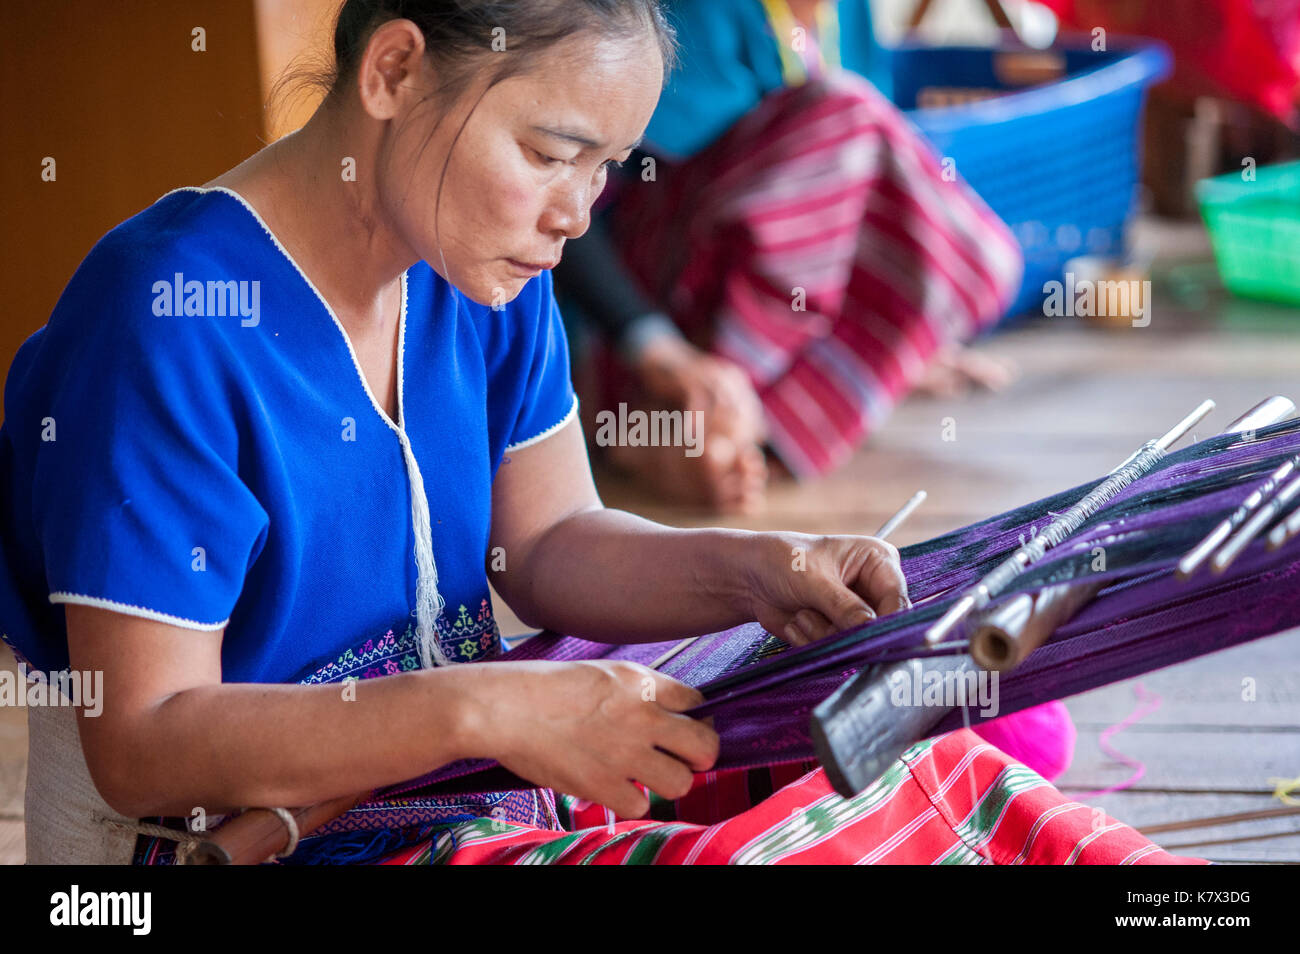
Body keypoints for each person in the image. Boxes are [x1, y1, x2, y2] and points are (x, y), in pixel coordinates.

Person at [0, 0, 1194, 865]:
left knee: (953, 724)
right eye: (549, 154)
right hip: (243, 835)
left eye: (606, 171)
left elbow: (554, 540)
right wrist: (491, 714)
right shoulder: (169, 320)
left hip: (452, 775)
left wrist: (758, 569)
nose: (577, 214)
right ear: (396, 70)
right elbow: (144, 745)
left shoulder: (482, 275)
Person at [554, 0, 1020, 512]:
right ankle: (674, 417)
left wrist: (904, 340)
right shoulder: (701, 14)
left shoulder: (848, 12)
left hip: (751, 301)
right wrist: (656, 348)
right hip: (642, 304)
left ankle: (732, 433)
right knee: (847, 116)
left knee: (967, 247)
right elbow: (574, 201)